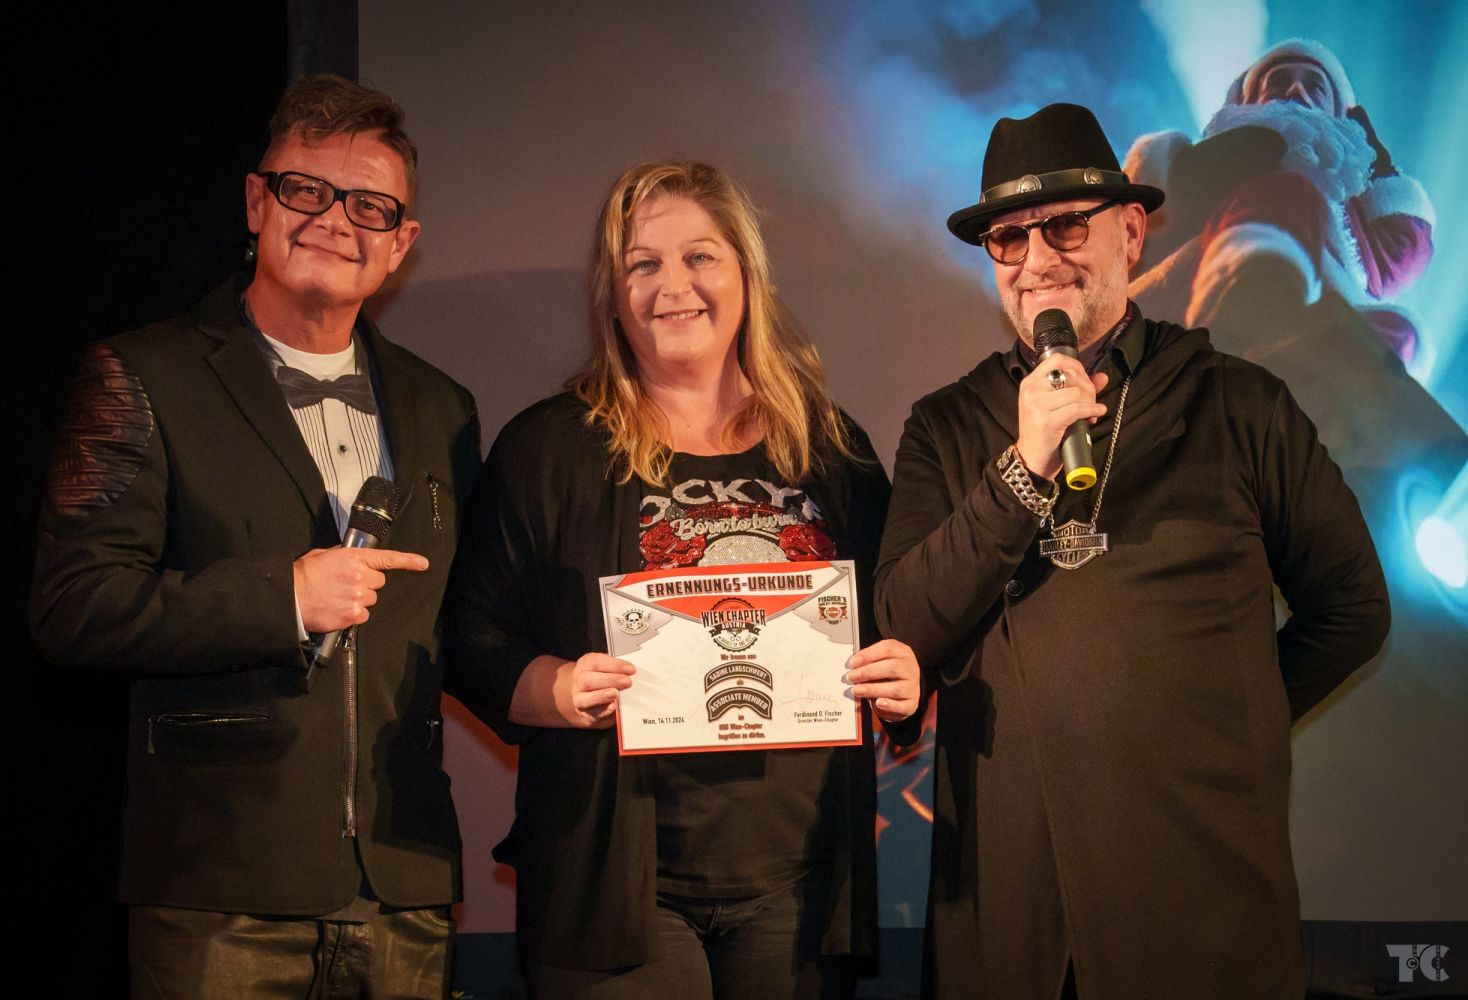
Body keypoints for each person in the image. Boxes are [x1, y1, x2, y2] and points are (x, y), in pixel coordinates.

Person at [875, 103, 1389, 999]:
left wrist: (1230, 726)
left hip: (1200, 891)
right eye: (1008, 238)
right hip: (1014, 906)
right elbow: (902, 627)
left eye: (1066, 226)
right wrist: (1023, 469)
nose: (1037, 259)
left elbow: (1352, 610)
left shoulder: (1238, 404)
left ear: (1132, 233)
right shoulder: (947, 427)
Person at [29, 75, 480, 998]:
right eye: (305, 190)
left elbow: (462, 624)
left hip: (404, 891)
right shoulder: (140, 373)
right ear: (255, 201)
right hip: (220, 891)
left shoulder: (445, 408)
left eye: (368, 205)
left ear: (401, 242)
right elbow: (74, 606)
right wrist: (283, 599)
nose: (333, 220)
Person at [451, 160, 920, 998]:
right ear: (613, 294)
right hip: (613, 889)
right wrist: (555, 688)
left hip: (800, 885)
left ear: (746, 275)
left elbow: (894, 614)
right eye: (644, 264)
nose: (674, 286)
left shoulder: (829, 446)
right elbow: (467, 637)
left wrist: (902, 672)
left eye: (700, 256)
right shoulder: (549, 448)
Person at [1125, 38, 1434, 364]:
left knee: (1399, 334)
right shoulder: (1194, 160)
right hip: (1191, 303)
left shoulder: (1349, 202)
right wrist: (1240, 152)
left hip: (1309, 319)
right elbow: (1142, 235)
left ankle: (1314, 362)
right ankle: (1251, 301)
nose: (1296, 90)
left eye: (1315, 85)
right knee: (1290, 192)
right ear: (1249, 101)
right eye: (1278, 81)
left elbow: (1398, 260)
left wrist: (1380, 167)